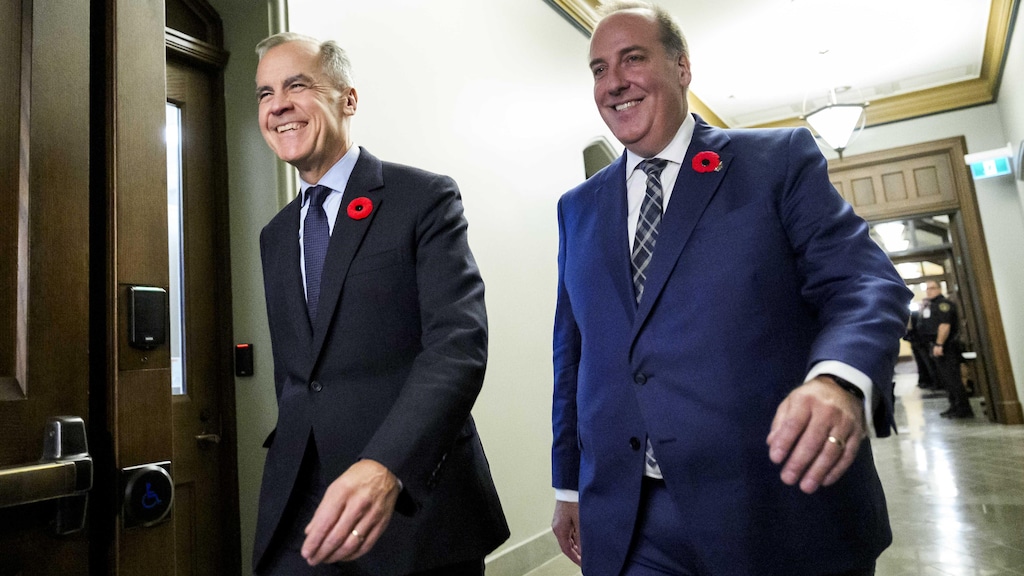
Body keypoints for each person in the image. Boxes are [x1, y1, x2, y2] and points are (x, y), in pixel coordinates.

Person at [550, 3, 912, 575]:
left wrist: (838, 380)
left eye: (633, 58)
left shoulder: (775, 161)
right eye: (599, 69)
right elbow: (573, 355)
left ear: (682, 67)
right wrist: (568, 485)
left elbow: (862, 282)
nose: (613, 81)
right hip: (633, 523)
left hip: (777, 511)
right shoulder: (578, 208)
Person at [251, 33, 508, 576]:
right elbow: (298, 377)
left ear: (348, 98)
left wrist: (387, 464)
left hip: (413, 508)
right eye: (265, 93)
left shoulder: (423, 199)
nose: (278, 106)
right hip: (303, 511)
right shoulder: (275, 236)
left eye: (297, 86)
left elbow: (457, 347)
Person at [920, 280, 972, 418]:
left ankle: (963, 408)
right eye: (927, 289)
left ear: (939, 288)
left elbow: (944, 326)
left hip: (946, 347)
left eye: (932, 288)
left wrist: (939, 344)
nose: (929, 291)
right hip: (936, 345)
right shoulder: (931, 305)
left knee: (953, 378)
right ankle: (954, 405)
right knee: (946, 379)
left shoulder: (943, 305)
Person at [905, 306, 939, 390]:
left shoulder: (917, 314)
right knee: (922, 361)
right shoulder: (912, 314)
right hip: (916, 340)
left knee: (927, 361)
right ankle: (925, 380)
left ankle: (934, 381)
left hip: (921, 341)